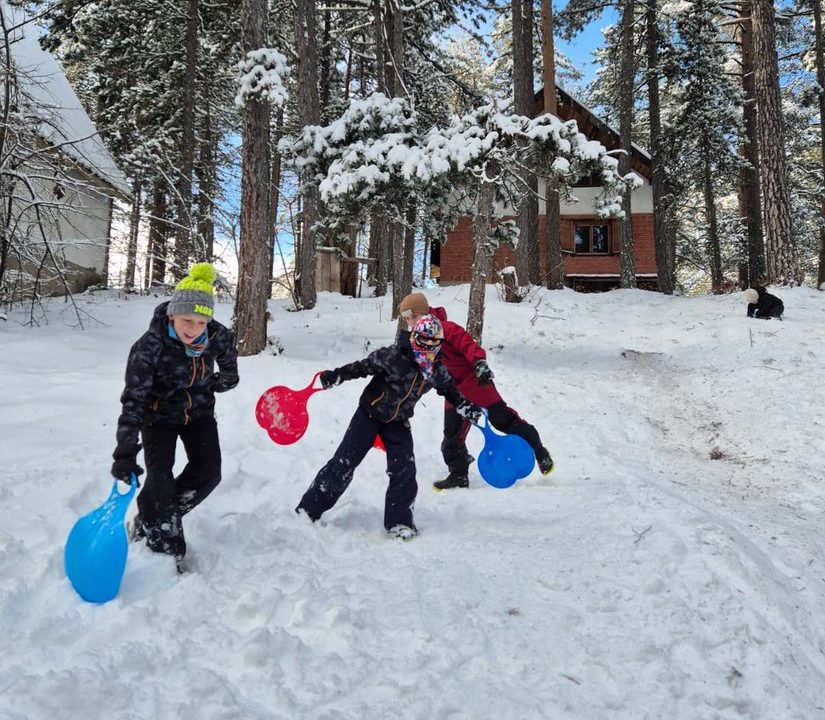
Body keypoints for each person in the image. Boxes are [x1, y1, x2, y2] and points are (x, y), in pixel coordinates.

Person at [295, 314, 482, 540]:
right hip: (369, 415)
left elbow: (450, 391)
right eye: (424, 342)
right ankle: (309, 509)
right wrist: (336, 375)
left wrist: (465, 406)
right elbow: (360, 367)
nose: (428, 350)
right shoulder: (393, 357)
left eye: (434, 345)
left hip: (398, 422)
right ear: (414, 339)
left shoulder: (435, 369)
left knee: (404, 469)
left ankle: (399, 522)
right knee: (345, 461)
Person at [110, 263, 239, 571]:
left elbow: (228, 355)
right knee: (160, 481)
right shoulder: (149, 348)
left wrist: (227, 378)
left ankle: (152, 517)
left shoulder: (215, 335)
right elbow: (133, 401)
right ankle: (166, 556)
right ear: (171, 314)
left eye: (200, 321)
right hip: (158, 418)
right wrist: (125, 452)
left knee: (209, 473)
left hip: (199, 413)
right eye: (186, 320)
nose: (193, 329)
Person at [398, 292, 554, 490]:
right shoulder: (419, 341)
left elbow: (467, 345)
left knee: (503, 420)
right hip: (454, 393)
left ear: (421, 314)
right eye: (406, 320)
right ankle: (458, 475)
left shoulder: (447, 329)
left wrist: (479, 362)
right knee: (452, 436)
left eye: (410, 318)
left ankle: (539, 451)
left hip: (475, 383)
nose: (409, 323)